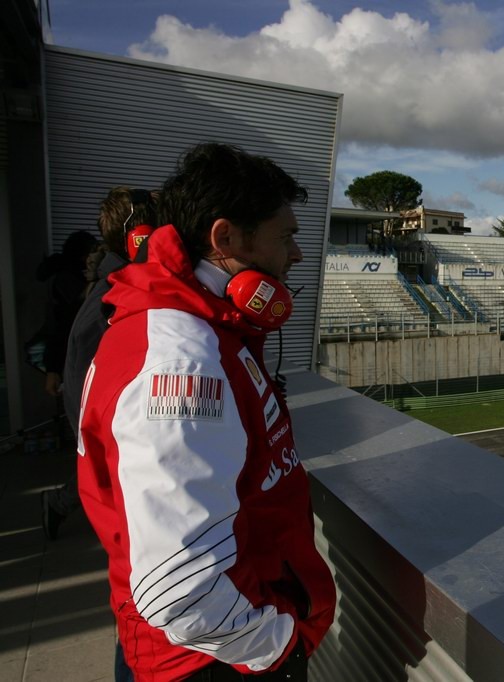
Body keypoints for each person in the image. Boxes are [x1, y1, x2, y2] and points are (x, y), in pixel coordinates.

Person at [77, 143, 335, 681]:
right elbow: (177, 590)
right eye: (285, 236)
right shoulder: (181, 358)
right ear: (225, 239)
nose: (297, 254)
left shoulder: (193, 327)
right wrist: (280, 647)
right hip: (215, 660)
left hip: (210, 647)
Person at [42, 187, 158, 541]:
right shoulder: (116, 290)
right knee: (103, 473)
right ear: (140, 238)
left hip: (94, 410)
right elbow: (83, 353)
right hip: (95, 410)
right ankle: (58, 505)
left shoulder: (117, 280)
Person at [33, 229, 97, 396]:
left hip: (69, 350)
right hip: (66, 351)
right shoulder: (66, 278)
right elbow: (63, 322)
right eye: (90, 253)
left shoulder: (68, 275)